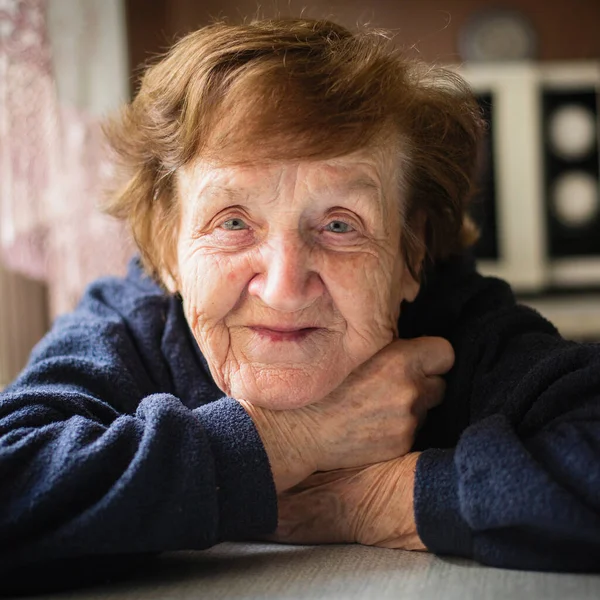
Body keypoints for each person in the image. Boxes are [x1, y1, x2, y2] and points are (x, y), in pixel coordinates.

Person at [1, 17, 599, 585]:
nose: (284, 288)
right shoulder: (127, 326)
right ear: (165, 247)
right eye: (233, 221)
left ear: (410, 254)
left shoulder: (462, 325)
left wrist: (378, 502)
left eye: (340, 225)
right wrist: (293, 439)